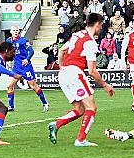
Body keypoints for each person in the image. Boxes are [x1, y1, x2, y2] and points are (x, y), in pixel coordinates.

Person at [48, 13, 115, 147]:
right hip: (74, 73)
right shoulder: (90, 42)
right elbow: (92, 71)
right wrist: (105, 85)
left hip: (64, 74)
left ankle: (57, 124)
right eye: (101, 25)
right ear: (97, 24)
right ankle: (80, 140)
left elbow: (61, 50)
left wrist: (62, 66)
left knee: (80, 109)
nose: (101, 29)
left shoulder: (77, 34)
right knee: (91, 107)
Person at [6, 26, 49, 111]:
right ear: (11, 31)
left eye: (17, 30)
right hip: (16, 68)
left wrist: (27, 59)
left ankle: (45, 103)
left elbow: (31, 51)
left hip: (26, 67)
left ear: (19, 31)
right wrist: (7, 60)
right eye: (14, 30)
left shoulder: (23, 40)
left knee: (33, 86)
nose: (15, 32)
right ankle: (11, 106)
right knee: (10, 86)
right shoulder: (8, 41)